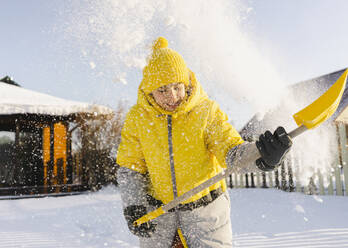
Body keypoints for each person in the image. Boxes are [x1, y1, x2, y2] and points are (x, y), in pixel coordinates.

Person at [116, 37, 292, 248]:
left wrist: (261, 156)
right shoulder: (138, 118)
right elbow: (130, 168)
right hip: (159, 222)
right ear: (149, 91)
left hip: (207, 220)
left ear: (186, 83)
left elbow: (232, 152)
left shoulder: (206, 111)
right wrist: (133, 204)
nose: (172, 97)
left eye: (177, 87)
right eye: (162, 90)